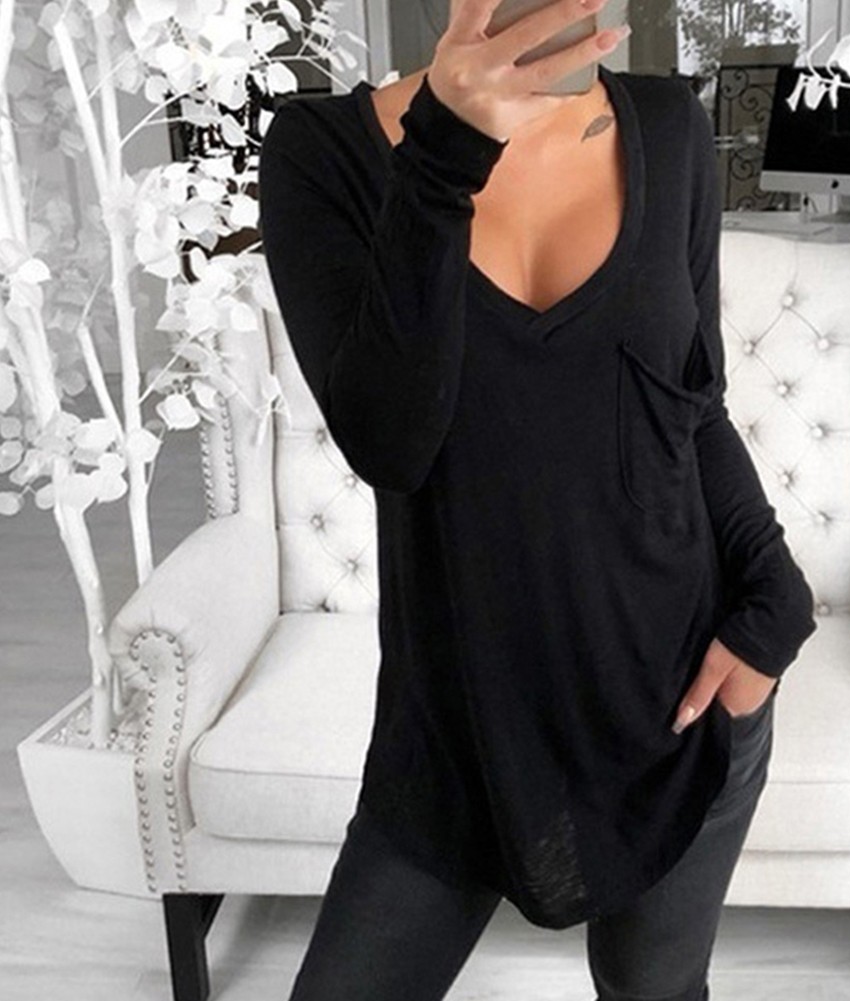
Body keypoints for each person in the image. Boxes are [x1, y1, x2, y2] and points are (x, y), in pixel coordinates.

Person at [257, 0, 818, 998]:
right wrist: (444, 148)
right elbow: (390, 444)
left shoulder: (668, 127)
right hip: (460, 725)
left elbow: (691, 405)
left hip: (679, 697)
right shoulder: (322, 153)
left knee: (654, 989)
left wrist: (775, 598)